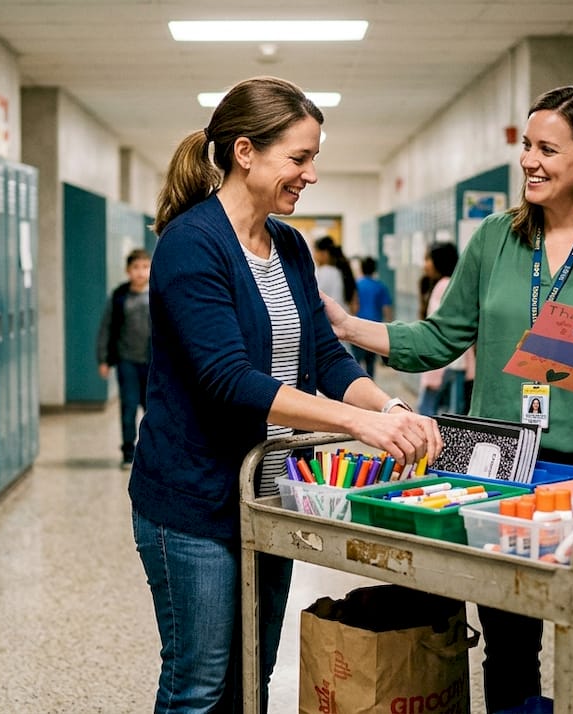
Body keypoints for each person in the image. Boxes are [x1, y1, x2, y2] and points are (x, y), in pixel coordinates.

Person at [322, 85, 573, 714]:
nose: (529, 161)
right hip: (500, 467)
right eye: (527, 146)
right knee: (508, 638)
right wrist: (351, 328)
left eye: (548, 149)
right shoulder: (497, 238)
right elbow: (441, 335)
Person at [130, 75, 443, 714]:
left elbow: (325, 356)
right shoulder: (192, 245)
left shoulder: (289, 245)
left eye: (314, 158)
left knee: (254, 672)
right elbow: (230, 379)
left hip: (267, 491)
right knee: (200, 685)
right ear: (245, 152)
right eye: (298, 159)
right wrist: (355, 427)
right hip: (193, 500)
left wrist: (389, 409)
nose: (311, 174)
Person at [96, 248, 152, 468]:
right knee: (128, 408)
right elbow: (106, 329)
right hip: (127, 361)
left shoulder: (156, 294)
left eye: (145, 267)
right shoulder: (119, 297)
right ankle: (128, 452)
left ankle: (150, 452)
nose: (140, 272)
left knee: (152, 410)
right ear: (128, 271)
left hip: (152, 363)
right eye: (135, 268)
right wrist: (103, 359)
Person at [414, 242, 475, 416]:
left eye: (428, 259)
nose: (425, 264)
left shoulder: (444, 285)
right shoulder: (447, 284)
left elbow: (440, 327)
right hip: (455, 362)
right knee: (451, 412)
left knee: (428, 410)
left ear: (439, 261)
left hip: (447, 362)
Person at [352, 256, 393, 377]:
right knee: (370, 363)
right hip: (374, 329)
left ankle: (357, 388)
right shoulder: (380, 286)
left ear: (361, 268)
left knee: (355, 363)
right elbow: (387, 309)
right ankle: (370, 386)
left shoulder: (356, 285)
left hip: (357, 328)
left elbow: (353, 306)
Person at [313, 235, 359, 316]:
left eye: (315, 252)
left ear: (324, 253)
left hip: (331, 321)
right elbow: (354, 304)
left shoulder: (324, 272)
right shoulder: (343, 271)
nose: (314, 256)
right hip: (345, 317)